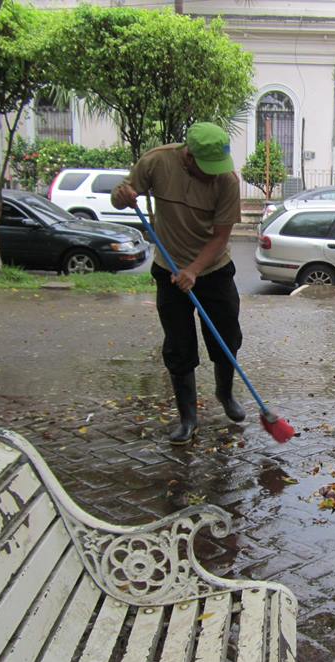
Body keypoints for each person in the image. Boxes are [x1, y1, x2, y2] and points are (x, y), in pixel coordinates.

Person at [111, 122, 244, 445]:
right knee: (179, 346)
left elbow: (221, 236)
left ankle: (224, 394)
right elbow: (119, 199)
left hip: (213, 270)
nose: (213, 175)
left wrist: (195, 269)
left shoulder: (226, 180)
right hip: (168, 271)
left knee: (226, 339)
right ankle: (188, 417)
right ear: (188, 156)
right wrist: (123, 196)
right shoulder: (157, 161)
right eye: (206, 168)